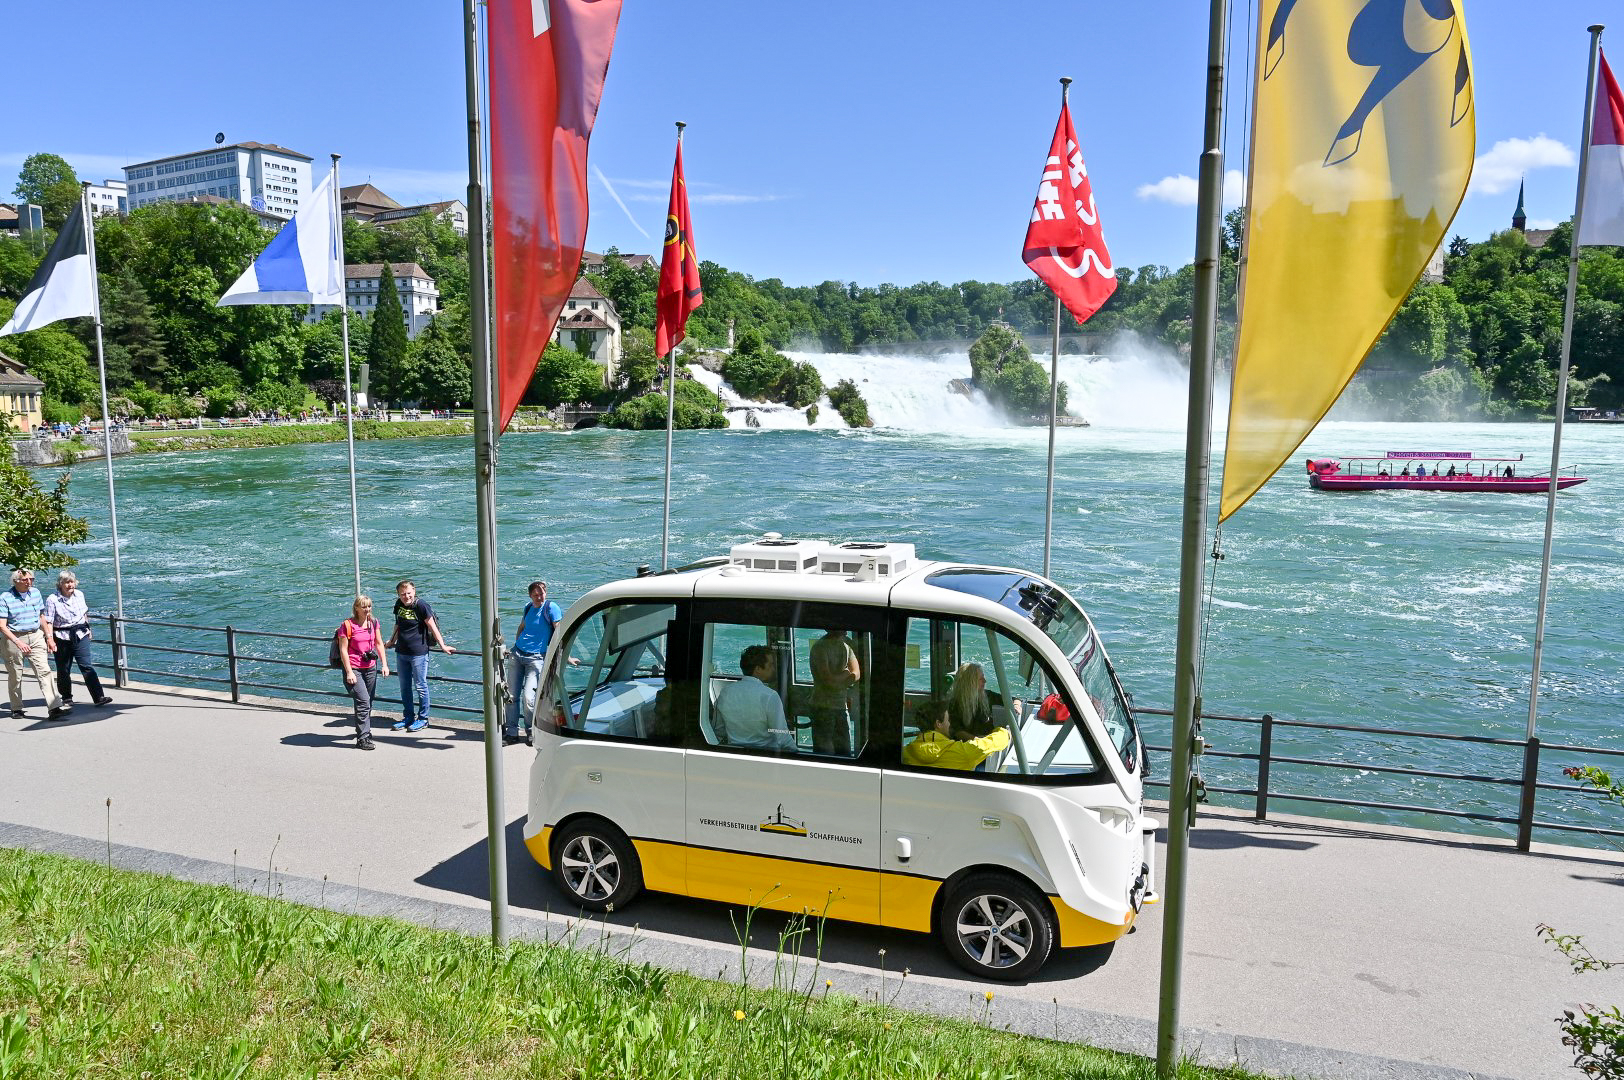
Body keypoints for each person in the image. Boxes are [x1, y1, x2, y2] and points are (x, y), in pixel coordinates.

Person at [504, 580, 573, 743]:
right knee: (511, 696)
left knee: (529, 697)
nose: (539, 598)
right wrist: (515, 646)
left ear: (545, 593)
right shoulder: (528, 607)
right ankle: (512, 732)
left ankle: (530, 730)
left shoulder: (551, 608)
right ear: (530, 595)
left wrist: (567, 656)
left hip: (536, 658)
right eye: (535, 595)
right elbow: (522, 627)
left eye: (541, 594)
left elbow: (559, 632)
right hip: (517, 655)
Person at [384, 580, 454, 733]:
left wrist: (442, 645)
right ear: (398, 594)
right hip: (401, 651)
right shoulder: (399, 604)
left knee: (421, 686)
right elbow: (398, 624)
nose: (406, 596)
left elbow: (432, 626)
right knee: (404, 687)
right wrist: (391, 641)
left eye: (409, 593)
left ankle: (423, 719)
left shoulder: (422, 605)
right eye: (403, 594)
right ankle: (408, 717)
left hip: (419, 653)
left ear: (414, 591)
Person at [0, 569, 68, 720]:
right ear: (15, 581)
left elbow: (41, 616)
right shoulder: (5, 598)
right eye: (25, 580)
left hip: (35, 635)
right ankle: (16, 708)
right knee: (15, 675)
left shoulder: (35, 593)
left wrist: (49, 638)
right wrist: (17, 642)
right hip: (14, 638)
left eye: (31, 579)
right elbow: (2, 625)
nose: (29, 582)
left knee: (44, 670)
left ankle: (54, 707)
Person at [43, 571, 110, 709]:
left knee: (86, 666)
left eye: (71, 582)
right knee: (63, 669)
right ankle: (67, 697)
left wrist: (88, 628)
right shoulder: (52, 599)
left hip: (80, 634)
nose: (70, 585)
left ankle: (98, 697)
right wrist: (50, 639)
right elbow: (48, 621)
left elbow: (84, 613)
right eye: (66, 582)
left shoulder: (79, 595)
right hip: (61, 637)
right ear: (60, 584)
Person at [714, 644, 793, 751]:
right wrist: (801, 757)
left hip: (735, 754)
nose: (774, 669)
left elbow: (719, 730)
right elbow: (783, 738)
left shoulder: (725, 692)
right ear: (758, 669)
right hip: (766, 756)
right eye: (771, 665)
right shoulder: (769, 695)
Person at [337, 596, 389, 750]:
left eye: (369, 606)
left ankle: (364, 732)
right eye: (364, 607)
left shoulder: (373, 622)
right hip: (354, 669)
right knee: (363, 701)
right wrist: (349, 672)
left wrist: (384, 664)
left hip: (371, 667)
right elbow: (343, 650)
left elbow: (379, 644)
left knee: (367, 701)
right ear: (356, 608)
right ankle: (363, 738)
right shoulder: (347, 625)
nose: (367, 610)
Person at [903, 698, 1011, 771]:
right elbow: (988, 745)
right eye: (948, 719)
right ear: (938, 724)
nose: (950, 723)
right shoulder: (962, 753)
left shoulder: (905, 752)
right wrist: (1004, 732)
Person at [808, 628, 860, 755]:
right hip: (823, 708)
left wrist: (837, 680)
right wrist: (845, 674)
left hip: (838, 707)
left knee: (842, 752)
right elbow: (828, 679)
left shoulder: (845, 647)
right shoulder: (821, 647)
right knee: (827, 753)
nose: (846, 631)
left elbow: (856, 674)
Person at [948, 661, 995, 737]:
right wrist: (978, 741)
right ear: (969, 683)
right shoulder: (954, 703)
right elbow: (957, 731)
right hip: (966, 745)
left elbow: (1011, 699)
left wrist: (1016, 703)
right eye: (980, 679)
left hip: (987, 742)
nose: (985, 681)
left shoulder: (987, 695)